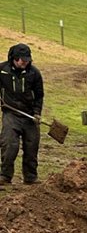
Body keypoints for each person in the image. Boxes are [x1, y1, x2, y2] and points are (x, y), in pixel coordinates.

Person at [0, 43, 45, 185]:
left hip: (30, 115)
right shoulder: (2, 70)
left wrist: (37, 112)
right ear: (14, 58)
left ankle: (30, 177)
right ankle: (5, 176)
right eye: (22, 60)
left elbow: (39, 95)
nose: (25, 62)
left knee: (32, 146)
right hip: (10, 114)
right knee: (9, 145)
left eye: (27, 59)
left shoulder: (34, 73)